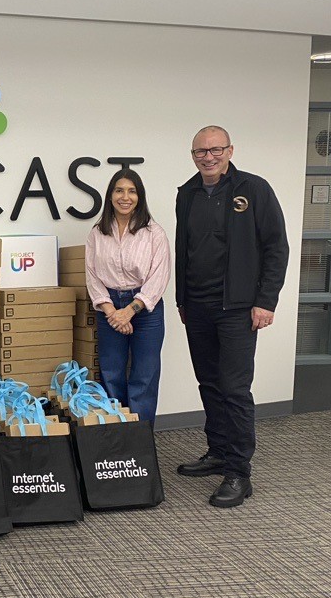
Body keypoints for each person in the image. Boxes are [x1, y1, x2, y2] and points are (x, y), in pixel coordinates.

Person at [175, 125, 288, 508]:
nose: (208, 156)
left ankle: (239, 472)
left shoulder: (254, 190)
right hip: (198, 306)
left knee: (235, 389)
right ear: (193, 155)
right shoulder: (186, 193)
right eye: (200, 151)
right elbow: (183, 249)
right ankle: (218, 452)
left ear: (229, 150)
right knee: (208, 382)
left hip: (238, 308)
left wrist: (266, 301)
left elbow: (276, 247)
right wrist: (182, 300)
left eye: (215, 149)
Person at [85, 169, 170, 424]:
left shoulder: (154, 233)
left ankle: (140, 439)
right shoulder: (98, 232)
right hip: (108, 307)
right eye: (119, 190)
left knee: (144, 375)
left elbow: (159, 276)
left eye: (132, 191)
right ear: (110, 196)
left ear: (140, 196)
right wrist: (112, 312)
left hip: (146, 309)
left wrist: (130, 310)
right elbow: (91, 273)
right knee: (111, 373)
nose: (125, 197)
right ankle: (117, 435)